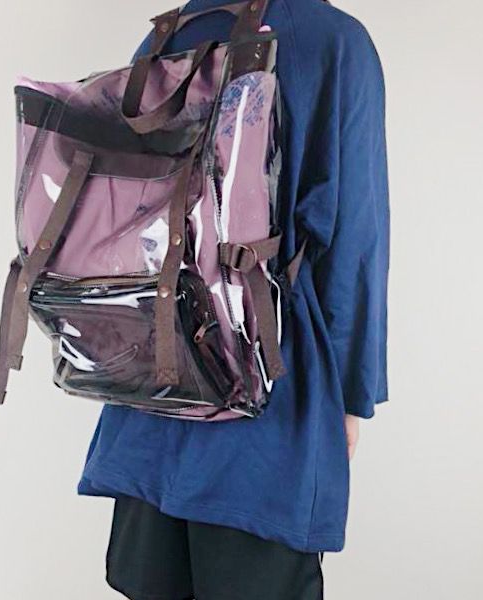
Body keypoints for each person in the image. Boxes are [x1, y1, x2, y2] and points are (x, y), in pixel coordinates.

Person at [78, 0, 390, 598]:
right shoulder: (334, 43)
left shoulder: (167, 36)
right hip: (271, 399)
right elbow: (354, 236)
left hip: (151, 390)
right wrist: (352, 394)